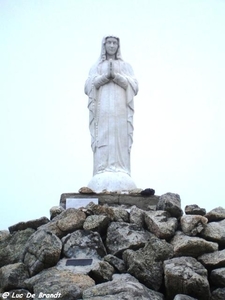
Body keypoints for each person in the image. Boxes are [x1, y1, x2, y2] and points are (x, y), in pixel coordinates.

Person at [84, 35, 138, 192]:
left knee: (120, 134)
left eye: (115, 43)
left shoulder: (125, 66)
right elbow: (88, 86)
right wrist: (105, 77)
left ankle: (121, 168)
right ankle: (102, 168)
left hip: (120, 107)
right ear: (104, 45)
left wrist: (116, 77)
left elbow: (134, 85)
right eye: (109, 43)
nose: (112, 46)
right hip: (103, 107)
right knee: (103, 134)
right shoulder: (97, 66)